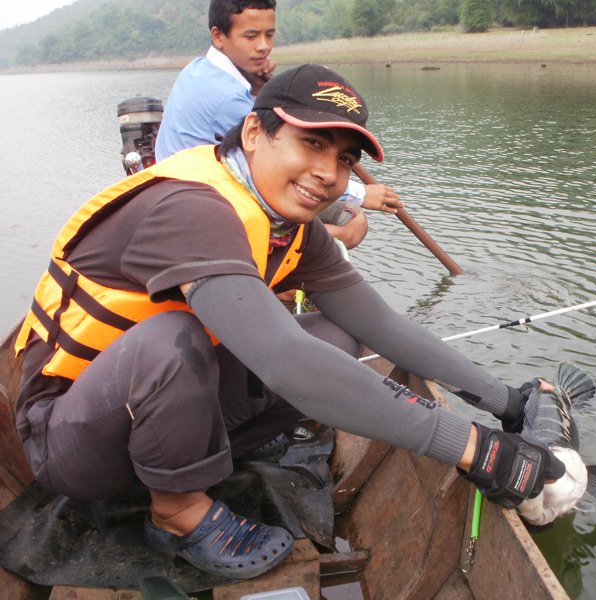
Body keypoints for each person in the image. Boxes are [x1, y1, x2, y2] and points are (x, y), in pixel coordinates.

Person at [14, 64, 564, 581]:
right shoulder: (192, 206)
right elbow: (283, 359)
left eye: (346, 159)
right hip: (72, 435)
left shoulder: (290, 226)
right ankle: (177, 512)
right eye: (312, 142)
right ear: (254, 132)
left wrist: (506, 403)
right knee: (173, 341)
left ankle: (195, 459)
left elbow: (384, 326)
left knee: (336, 335)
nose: (329, 174)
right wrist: (475, 448)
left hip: (159, 410)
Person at [154, 0, 402, 249]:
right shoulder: (226, 96)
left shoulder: (199, 69)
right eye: (250, 36)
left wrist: (258, 86)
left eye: (269, 35)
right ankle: (286, 263)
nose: (263, 47)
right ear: (218, 36)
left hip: (179, 188)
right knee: (353, 226)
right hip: (200, 204)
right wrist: (361, 194)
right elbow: (278, 160)